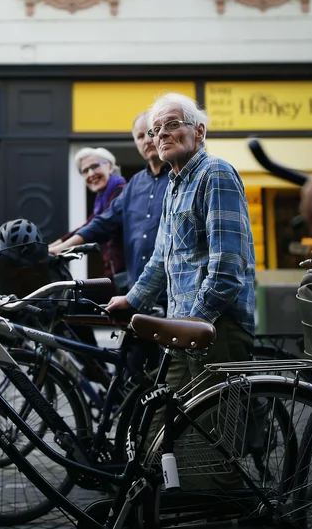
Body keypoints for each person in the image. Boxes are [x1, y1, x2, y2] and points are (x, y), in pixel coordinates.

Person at [107, 93, 256, 391]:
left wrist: (192, 321)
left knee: (216, 432)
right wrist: (132, 300)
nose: (160, 133)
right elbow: (161, 260)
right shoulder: (173, 186)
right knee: (164, 430)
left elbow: (227, 269)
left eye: (171, 124)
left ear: (199, 131)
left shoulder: (215, 173)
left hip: (216, 327)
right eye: (155, 129)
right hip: (186, 329)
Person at [49, 116, 170, 293]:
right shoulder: (134, 185)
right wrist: (55, 248)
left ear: (110, 166)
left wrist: (57, 248)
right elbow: (97, 223)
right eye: (140, 136)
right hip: (136, 286)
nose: (147, 140)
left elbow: (94, 224)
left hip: (165, 285)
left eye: (151, 133)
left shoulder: (122, 189)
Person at [49, 147, 126, 282]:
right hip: (115, 275)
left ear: (110, 167)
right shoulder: (102, 200)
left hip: (128, 277)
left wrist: (60, 249)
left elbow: (98, 226)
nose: (91, 174)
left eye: (95, 166)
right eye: (85, 170)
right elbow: (84, 227)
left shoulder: (121, 192)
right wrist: (47, 248)